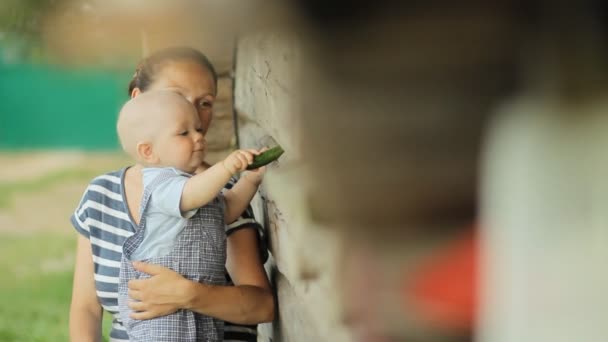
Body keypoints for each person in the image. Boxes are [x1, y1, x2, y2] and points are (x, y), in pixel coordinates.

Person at [69, 47, 274, 342]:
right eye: (176, 96)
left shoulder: (220, 194)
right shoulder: (100, 196)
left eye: (205, 102)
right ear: (139, 100)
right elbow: (86, 309)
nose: (195, 113)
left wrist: (191, 295)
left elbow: (262, 307)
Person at [114, 90, 264, 341]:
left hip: (196, 311)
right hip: (161, 320)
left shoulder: (193, 185)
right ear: (149, 152)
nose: (198, 137)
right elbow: (193, 195)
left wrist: (250, 180)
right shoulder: (161, 186)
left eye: (198, 128)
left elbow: (226, 210)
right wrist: (227, 167)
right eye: (184, 133)